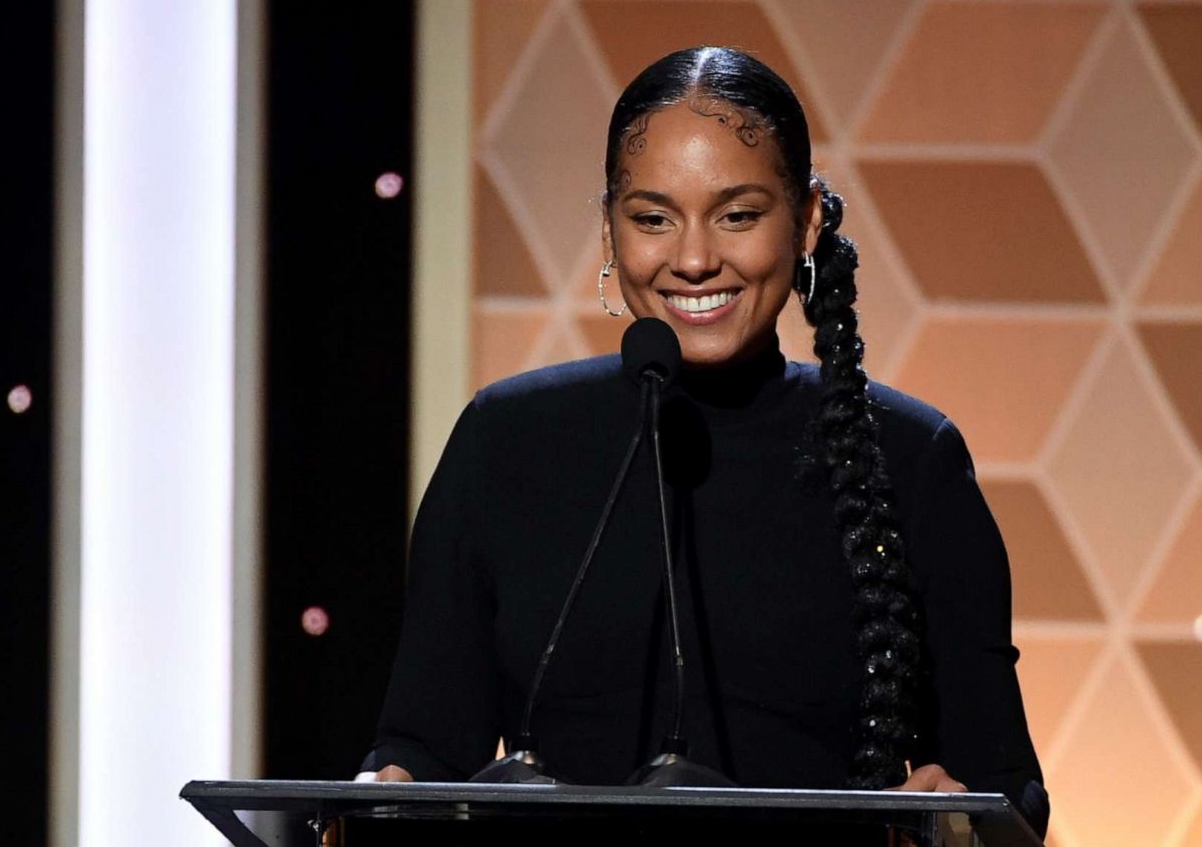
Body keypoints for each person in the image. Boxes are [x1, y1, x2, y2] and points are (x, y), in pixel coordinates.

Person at [357, 46, 1049, 838]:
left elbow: (1007, 787)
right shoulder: (505, 442)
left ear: (809, 221)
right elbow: (423, 747)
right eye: (652, 218)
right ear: (611, 229)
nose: (692, 260)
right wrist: (388, 791)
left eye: (738, 215)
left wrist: (957, 810)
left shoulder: (912, 459)